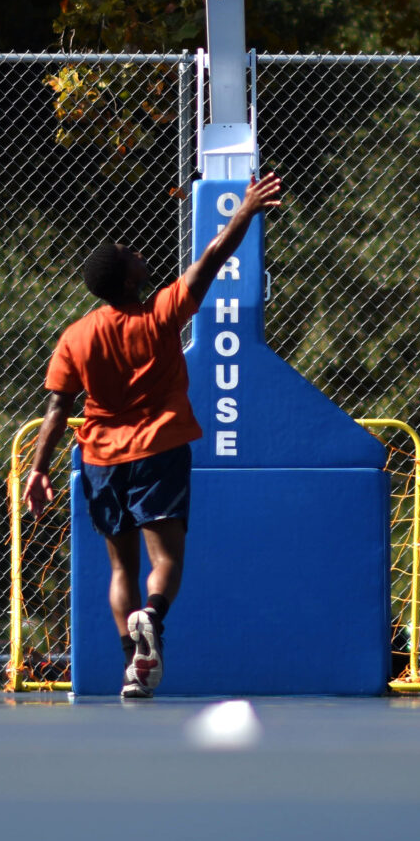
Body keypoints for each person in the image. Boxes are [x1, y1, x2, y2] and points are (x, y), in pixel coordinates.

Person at [22, 173, 284, 697]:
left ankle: (133, 668)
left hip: (99, 459)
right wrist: (246, 210)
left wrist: (38, 469)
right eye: (129, 252)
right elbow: (212, 257)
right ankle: (153, 620)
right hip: (159, 450)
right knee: (166, 562)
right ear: (127, 279)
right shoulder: (161, 313)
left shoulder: (76, 336)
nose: (138, 252)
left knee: (121, 567)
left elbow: (56, 408)